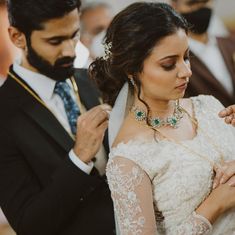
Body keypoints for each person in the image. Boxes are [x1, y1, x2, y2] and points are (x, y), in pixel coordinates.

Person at [90, 2, 235, 234]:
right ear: (132, 69)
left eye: (186, 57)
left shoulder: (209, 106)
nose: (186, 71)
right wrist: (214, 206)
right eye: (169, 64)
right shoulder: (128, 159)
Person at [0, 0, 115, 234]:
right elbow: (29, 224)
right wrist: (79, 157)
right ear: (17, 37)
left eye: (74, 35)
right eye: (55, 41)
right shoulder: (4, 114)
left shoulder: (95, 80)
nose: (70, 51)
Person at [170, 0, 235, 107]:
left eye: (204, 2)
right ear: (175, 6)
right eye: (192, 3)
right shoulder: (174, 58)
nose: (200, 8)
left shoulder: (230, 43)